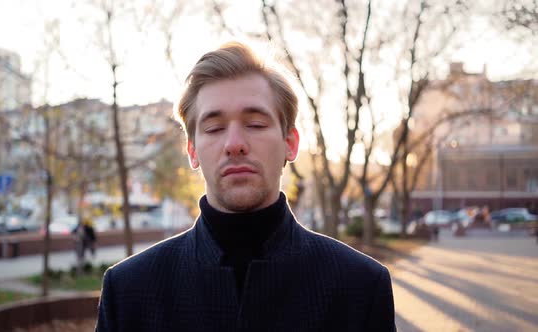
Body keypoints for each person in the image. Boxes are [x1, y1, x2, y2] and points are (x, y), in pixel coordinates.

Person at [96, 41, 395, 331]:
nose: (234, 144)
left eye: (255, 124)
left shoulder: (361, 287)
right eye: (214, 128)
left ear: (290, 144)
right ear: (192, 151)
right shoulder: (127, 292)